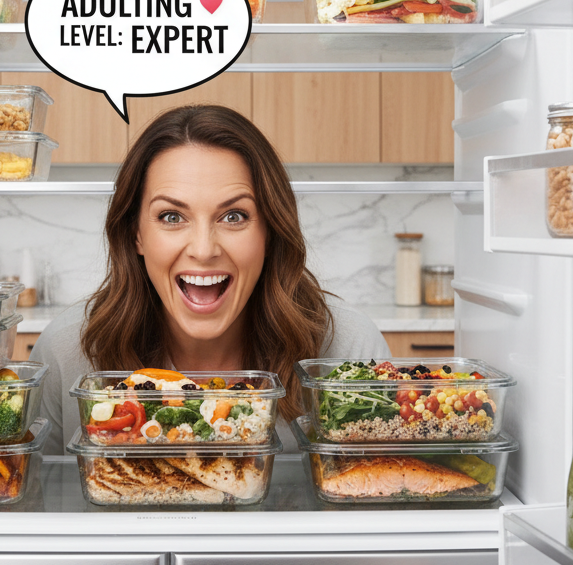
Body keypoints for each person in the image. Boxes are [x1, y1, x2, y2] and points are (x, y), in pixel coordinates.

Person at [32, 104, 389, 454]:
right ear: (135, 234)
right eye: (171, 217)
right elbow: (35, 500)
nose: (203, 250)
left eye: (234, 216)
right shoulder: (68, 352)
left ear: (270, 232)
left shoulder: (347, 351)